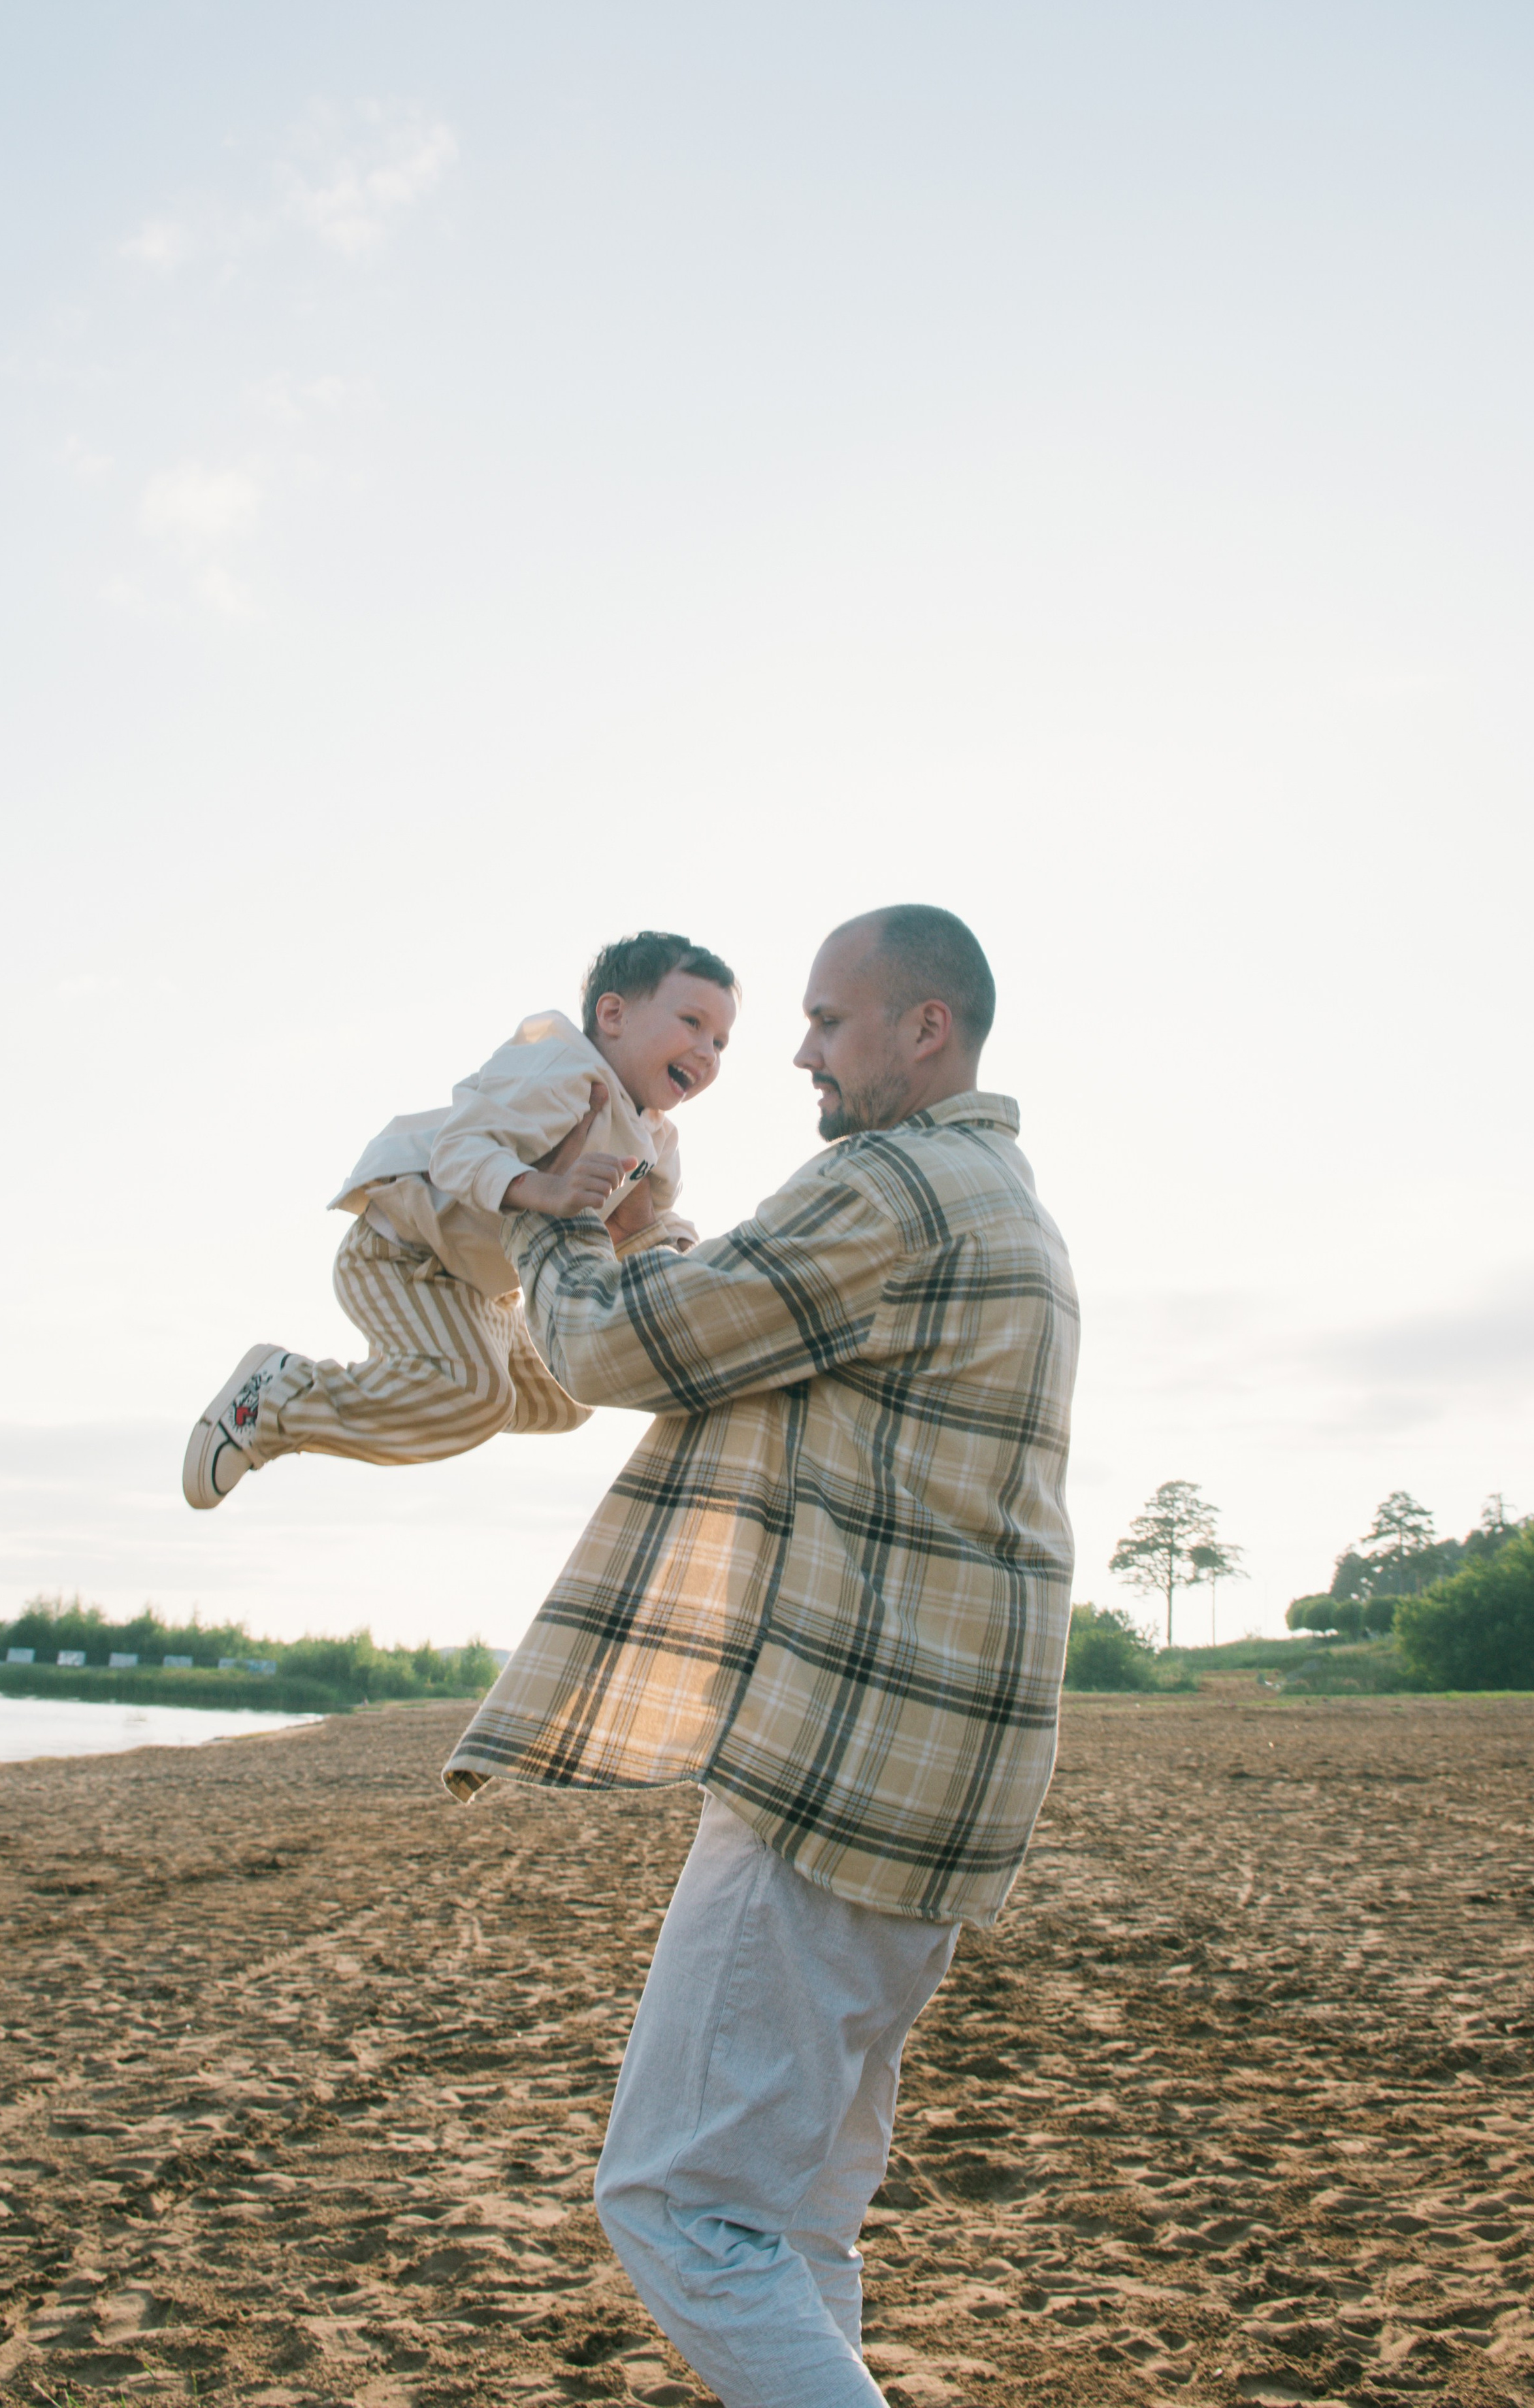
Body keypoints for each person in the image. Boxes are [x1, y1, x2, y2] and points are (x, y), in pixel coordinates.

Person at [444, 904, 1080, 2408]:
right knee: (791, 2217)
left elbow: (620, 1347)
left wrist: (540, 1209)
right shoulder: (996, 1193)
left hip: (839, 1767)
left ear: (924, 1027)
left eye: (824, 1019)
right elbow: (727, 1297)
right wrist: (640, 1231)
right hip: (941, 1782)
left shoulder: (894, 1185)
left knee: (678, 2206)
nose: (795, 1050)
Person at [180, 932, 739, 1509]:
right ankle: (275, 1400)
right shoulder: (558, 1067)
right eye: (692, 1023)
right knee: (474, 1396)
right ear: (614, 1014)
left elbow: (650, 1227)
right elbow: (459, 1150)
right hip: (402, 1250)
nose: (707, 1052)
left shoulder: (656, 1138)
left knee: (576, 1389)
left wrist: (687, 1268)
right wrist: (544, 1187)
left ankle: (425, 1387)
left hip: (484, 1293)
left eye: (721, 1042)